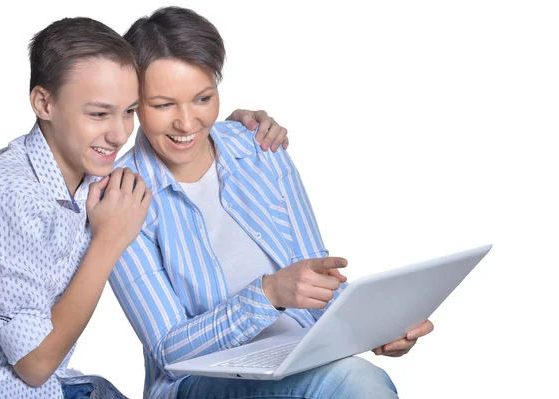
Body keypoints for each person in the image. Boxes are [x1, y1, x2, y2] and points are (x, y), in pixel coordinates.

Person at [110, 6, 434, 399]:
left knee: (349, 376)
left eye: (202, 98)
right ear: (133, 103)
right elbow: (167, 349)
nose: (187, 122)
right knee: (352, 380)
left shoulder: (262, 149)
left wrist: (380, 325)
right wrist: (267, 295)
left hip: (302, 354)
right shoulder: (121, 196)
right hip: (197, 382)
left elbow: (319, 283)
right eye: (163, 105)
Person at [0, 16, 288, 399]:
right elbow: (34, 364)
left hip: (61, 386)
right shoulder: (6, 194)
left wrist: (222, 131)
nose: (119, 133)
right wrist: (109, 240)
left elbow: (169, 141)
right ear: (44, 103)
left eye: (129, 111)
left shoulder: (87, 172)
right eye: (98, 114)